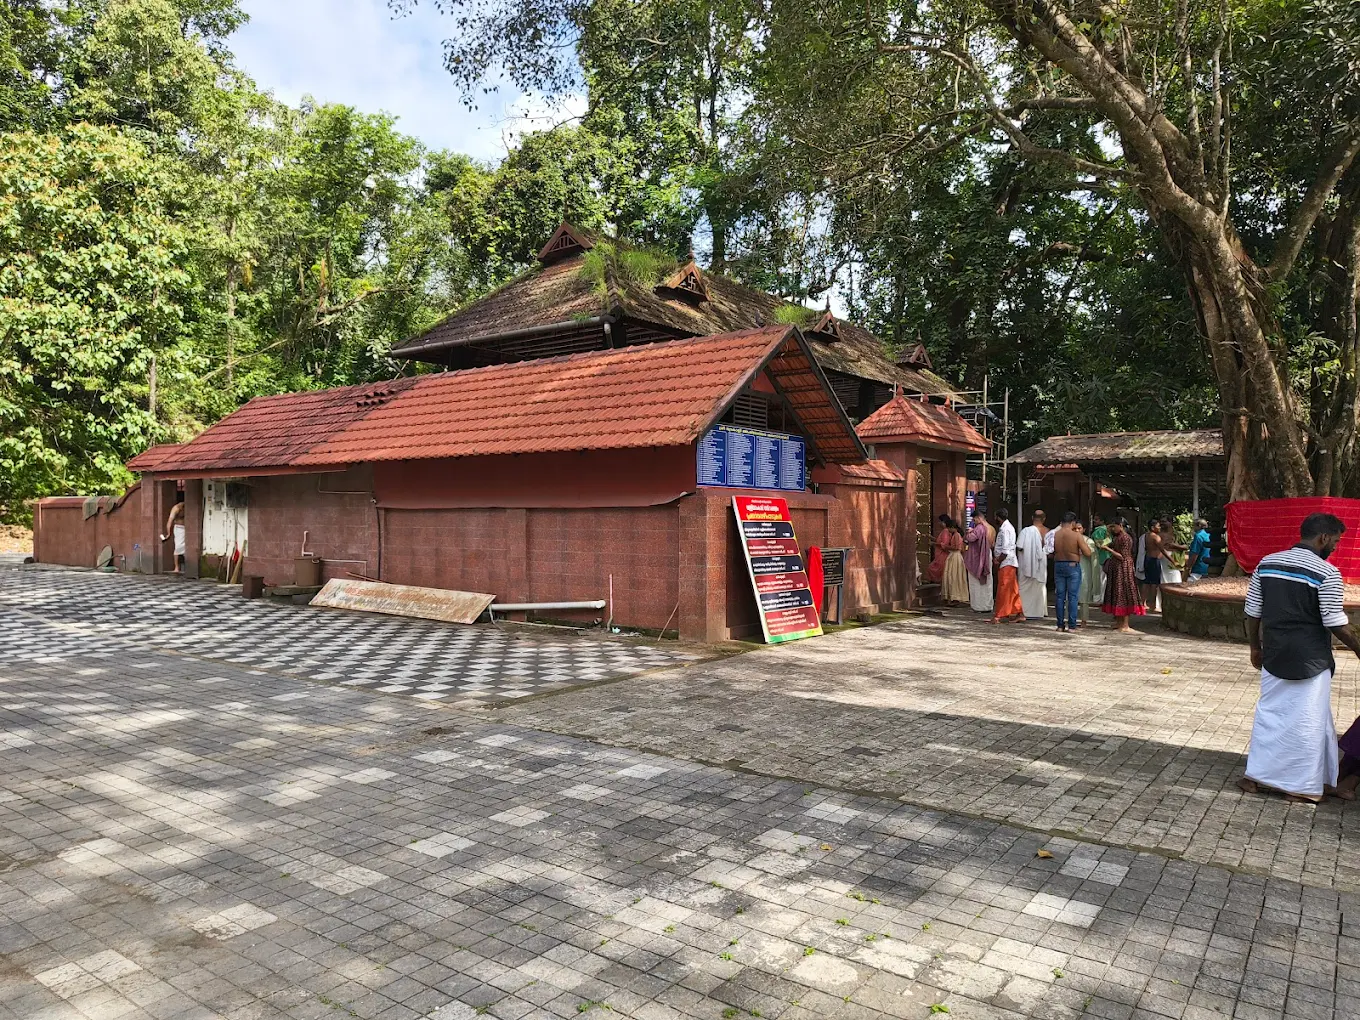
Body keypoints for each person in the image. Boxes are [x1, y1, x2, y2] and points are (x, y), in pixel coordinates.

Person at [1238, 513, 1360, 803]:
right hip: (1310, 659)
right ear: (1323, 538)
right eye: (1337, 542)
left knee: (1271, 716)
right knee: (1307, 721)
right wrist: (1358, 647)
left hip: (1275, 653)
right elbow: (1334, 621)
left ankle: (1256, 777)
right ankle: (1302, 786)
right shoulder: (1326, 572)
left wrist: (1255, 648)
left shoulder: (1266, 564)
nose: (1336, 547)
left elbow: (1252, 612)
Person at [1101, 517, 1144, 633]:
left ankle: (1125, 624)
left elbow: (1122, 556)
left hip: (1123, 568)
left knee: (1123, 593)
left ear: (1120, 525)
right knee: (1117, 593)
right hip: (1117, 568)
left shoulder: (1125, 538)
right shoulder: (1118, 537)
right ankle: (1119, 622)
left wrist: (1107, 549)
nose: (1113, 529)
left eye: (1114, 526)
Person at [1051, 512, 1085, 633]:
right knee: (1073, 597)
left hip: (1058, 564)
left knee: (1060, 596)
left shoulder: (1055, 534)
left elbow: (1049, 551)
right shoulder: (1076, 535)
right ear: (1073, 523)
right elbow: (1088, 552)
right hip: (1072, 565)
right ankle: (1072, 626)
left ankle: (1060, 625)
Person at [991, 508, 1023, 623]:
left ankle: (999, 614)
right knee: (1012, 589)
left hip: (1006, 562)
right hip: (1008, 562)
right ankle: (1018, 611)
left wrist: (998, 560)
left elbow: (1005, 550)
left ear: (998, 517)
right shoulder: (1007, 527)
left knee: (1003, 588)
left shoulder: (1005, 529)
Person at [1016, 510, 1049, 620]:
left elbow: (1019, 546)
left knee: (1024, 587)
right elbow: (1050, 549)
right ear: (1044, 519)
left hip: (1026, 563)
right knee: (1039, 586)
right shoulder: (1047, 532)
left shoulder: (1026, 531)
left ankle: (1025, 611)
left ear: (1032, 518)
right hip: (1041, 563)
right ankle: (1039, 612)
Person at [964, 512, 994, 614]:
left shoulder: (979, 528)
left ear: (978, 518)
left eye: (974, 519)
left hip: (979, 556)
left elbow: (970, 538)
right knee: (988, 582)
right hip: (987, 554)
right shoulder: (991, 528)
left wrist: (969, 532)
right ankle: (988, 605)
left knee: (976, 582)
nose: (973, 521)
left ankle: (979, 606)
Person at [939, 518, 969, 605]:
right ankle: (952, 597)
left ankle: (955, 597)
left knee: (953, 576)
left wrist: (945, 546)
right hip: (954, 556)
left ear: (952, 527)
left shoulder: (956, 535)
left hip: (955, 555)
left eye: (949, 528)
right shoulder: (956, 535)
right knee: (952, 576)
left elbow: (957, 547)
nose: (948, 530)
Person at [1075, 521, 1100, 628]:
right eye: (1074, 529)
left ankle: (1084, 620)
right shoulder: (1070, 539)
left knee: (1084, 596)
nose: (1076, 531)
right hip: (1072, 569)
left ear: (1084, 529)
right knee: (1070, 596)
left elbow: (1091, 554)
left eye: (1079, 528)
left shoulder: (1088, 541)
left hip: (1085, 570)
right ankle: (1070, 619)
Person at [1141, 520, 1164, 611]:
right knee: (1154, 583)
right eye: (1158, 526)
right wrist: (1172, 560)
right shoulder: (1155, 537)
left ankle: (1143, 603)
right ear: (1152, 527)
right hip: (1154, 560)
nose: (1160, 527)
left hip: (1147, 559)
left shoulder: (1146, 536)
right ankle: (1153, 605)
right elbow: (1162, 550)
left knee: (1146, 582)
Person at [160, 492, 186, 574]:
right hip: (178, 529)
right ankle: (176, 567)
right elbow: (169, 522)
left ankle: (188, 566)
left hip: (186, 528)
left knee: (186, 548)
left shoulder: (187, 506)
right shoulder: (176, 508)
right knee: (178, 547)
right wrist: (168, 533)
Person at [1089, 513, 1110, 603]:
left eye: (1097, 519)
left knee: (1099, 578)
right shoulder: (1107, 530)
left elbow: (1099, 544)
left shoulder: (1099, 531)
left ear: (1102, 521)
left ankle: (1099, 598)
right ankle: (1102, 598)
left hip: (1099, 557)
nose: (1094, 521)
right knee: (1104, 578)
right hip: (1106, 556)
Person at [1159, 519, 1188, 585]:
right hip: (1162, 560)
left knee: (1175, 579)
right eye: (1161, 521)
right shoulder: (1158, 534)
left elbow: (1185, 547)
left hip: (1175, 561)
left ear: (1171, 522)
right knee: (1163, 580)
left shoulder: (1177, 534)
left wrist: (1174, 545)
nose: (1162, 523)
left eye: (1164, 521)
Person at [925, 514, 952, 584]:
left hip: (942, 555)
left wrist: (933, 544)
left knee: (933, 568)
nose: (939, 523)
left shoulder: (945, 531)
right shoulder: (945, 531)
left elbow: (943, 544)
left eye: (940, 522)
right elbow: (939, 541)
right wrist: (931, 537)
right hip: (940, 554)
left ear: (943, 522)